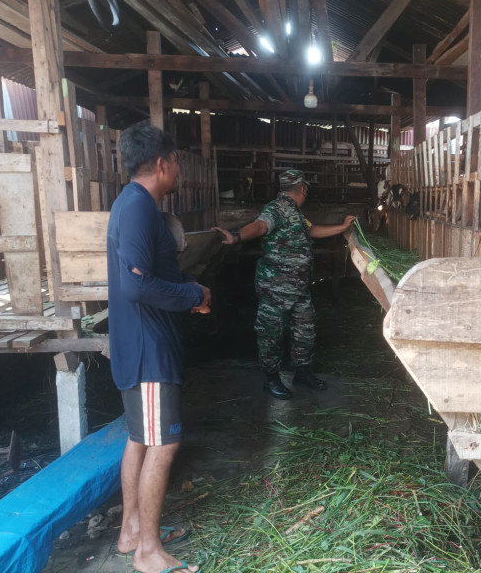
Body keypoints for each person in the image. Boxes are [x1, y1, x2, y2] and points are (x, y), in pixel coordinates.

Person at [107, 122, 209, 573]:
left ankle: (132, 531)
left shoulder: (135, 205)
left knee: (140, 439)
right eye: (177, 161)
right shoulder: (138, 209)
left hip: (142, 341)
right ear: (164, 163)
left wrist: (190, 291)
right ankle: (148, 552)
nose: (178, 169)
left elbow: (149, 275)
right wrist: (191, 296)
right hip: (149, 348)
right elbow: (137, 286)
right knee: (163, 444)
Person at [214, 170, 355, 400]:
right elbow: (260, 226)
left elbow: (311, 231)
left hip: (299, 288)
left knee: (305, 330)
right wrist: (237, 236)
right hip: (276, 288)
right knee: (271, 333)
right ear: (302, 188)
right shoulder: (275, 209)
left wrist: (341, 227)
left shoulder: (296, 213)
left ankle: (303, 372)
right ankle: (271, 379)